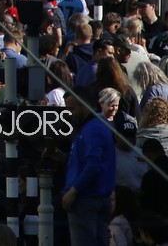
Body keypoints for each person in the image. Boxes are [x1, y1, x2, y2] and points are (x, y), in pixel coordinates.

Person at [62, 90, 115, 246]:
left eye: (71, 109)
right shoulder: (91, 127)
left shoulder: (93, 128)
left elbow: (94, 164)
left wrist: (73, 191)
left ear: (84, 106)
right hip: (93, 197)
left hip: (86, 198)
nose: (69, 114)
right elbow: (83, 161)